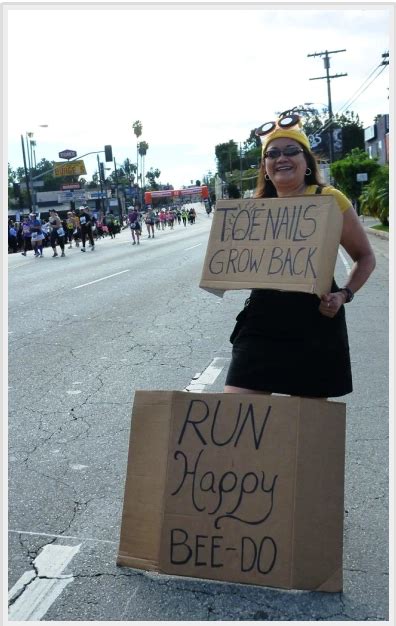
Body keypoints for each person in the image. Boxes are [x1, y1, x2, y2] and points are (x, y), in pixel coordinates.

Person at [224, 111, 376, 398]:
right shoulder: (254, 209)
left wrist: (343, 295)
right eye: (272, 153)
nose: (281, 158)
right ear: (264, 166)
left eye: (291, 150)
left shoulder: (329, 199)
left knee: (305, 430)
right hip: (262, 318)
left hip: (314, 320)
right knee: (238, 413)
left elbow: (365, 257)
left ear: (306, 160)